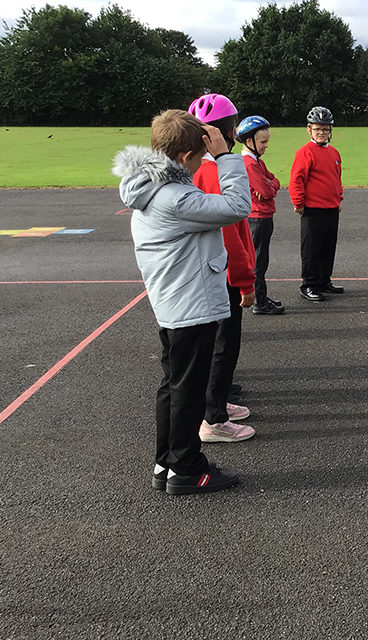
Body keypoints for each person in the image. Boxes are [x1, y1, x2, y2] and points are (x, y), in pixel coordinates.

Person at [112, 109, 250, 495]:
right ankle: (188, 468)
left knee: (173, 386)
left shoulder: (147, 188)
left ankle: (167, 462)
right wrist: (225, 156)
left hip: (174, 302)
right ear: (188, 156)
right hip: (190, 305)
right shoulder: (177, 198)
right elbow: (238, 206)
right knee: (188, 390)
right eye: (201, 156)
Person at [187, 93, 257, 440]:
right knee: (223, 346)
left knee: (213, 344)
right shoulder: (218, 174)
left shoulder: (194, 172)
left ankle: (215, 401)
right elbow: (232, 234)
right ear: (226, 134)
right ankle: (213, 418)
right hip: (224, 275)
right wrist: (246, 281)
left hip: (203, 273)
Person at [290, 106, 344, 303]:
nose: (321, 133)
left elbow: (336, 178)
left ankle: (324, 280)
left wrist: (339, 198)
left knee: (328, 247)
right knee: (312, 249)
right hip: (313, 209)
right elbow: (297, 179)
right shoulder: (305, 153)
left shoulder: (334, 153)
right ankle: (309, 284)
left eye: (325, 129)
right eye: (317, 129)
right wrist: (298, 202)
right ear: (309, 129)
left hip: (331, 207)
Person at [236, 115, 284, 316]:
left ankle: (261, 296)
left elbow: (275, 180)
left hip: (262, 216)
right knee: (258, 261)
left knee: (261, 260)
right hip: (258, 217)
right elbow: (268, 190)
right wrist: (269, 185)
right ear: (250, 141)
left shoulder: (256, 162)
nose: (266, 146)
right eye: (263, 142)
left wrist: (270, 183)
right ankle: (260, 301)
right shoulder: (250, 164)